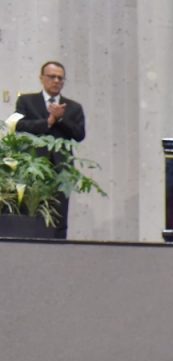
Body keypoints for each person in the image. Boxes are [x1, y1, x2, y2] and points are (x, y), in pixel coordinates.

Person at [14, 61, 86, 234]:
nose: (56, 81)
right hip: (33, 166)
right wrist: (48, 122)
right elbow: (19, 126)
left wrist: (61, 119)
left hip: (61, 169)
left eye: (60, 78)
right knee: (30, 214)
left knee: (59, 216)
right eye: (52, 77)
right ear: (41, 78)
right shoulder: (26, 101)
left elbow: (79, 134)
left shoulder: (73, 107)